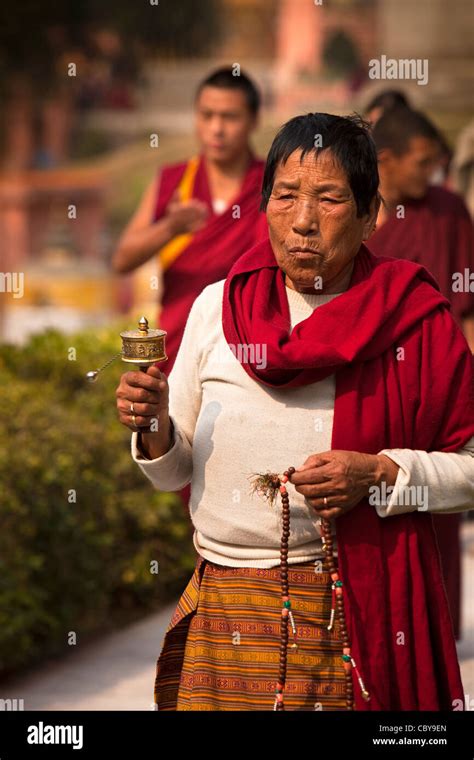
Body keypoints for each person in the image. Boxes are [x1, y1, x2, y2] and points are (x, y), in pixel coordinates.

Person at [116, 113, 474, 711]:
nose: (302, 220)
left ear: (369, 216)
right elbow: (172, 470)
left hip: (343, 617)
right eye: (285, 196)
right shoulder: (218, 307)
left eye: (329, 198)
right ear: (265, 205)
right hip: (218, 608)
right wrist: (152, 425)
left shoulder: (412, 318)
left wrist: (380, 474)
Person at [367, 107, 474, 638]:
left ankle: (435, 625)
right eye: (423, 163)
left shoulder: (449, 211)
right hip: (368, 382)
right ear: (384, 161)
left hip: (437, 382)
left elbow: (467, 306)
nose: (431, 175)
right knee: (369, 500)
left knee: (437, 500)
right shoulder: (355, 215)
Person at [111, 66, 268, 377]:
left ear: (253, 121)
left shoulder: (272, 184)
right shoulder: (176, 182)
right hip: (178, 345)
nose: (216, 128)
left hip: (246, 349)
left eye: (229, 117)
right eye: (206, 115)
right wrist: (170, 228)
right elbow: (122, 260)